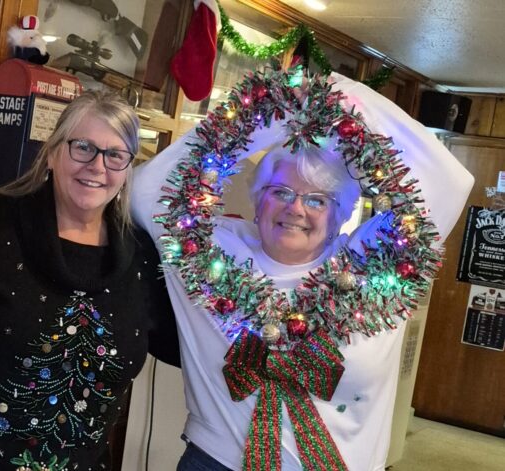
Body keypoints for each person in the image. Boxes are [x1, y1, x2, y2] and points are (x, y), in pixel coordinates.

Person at [129, 73, 474, 471]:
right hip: (216, 462)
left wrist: (339, 98)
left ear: (341, 215)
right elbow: (145, 188)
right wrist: (276, 105)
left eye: (317, 200)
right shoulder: (208, 250)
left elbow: (451, 182)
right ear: (258, 200)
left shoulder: (373, 264)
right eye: (280, 192)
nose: (295, 208)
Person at [0, 89, 179, 470]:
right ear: (52, 153)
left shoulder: (143, 258)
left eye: (115, 155)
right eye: (83, 147)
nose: (97, 166)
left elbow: (189, 347)